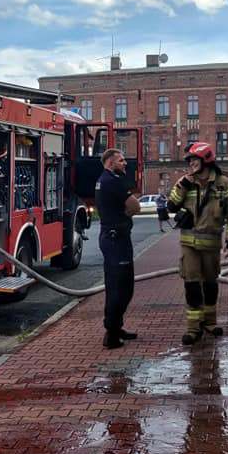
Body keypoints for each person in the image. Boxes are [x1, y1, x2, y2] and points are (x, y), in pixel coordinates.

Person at [167, 142, 228, 345]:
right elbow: (172, 205)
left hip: (212, 244)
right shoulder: (185, 182)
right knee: (191, 285)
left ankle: (210, 322)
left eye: (194, 160)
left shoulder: (224, 185)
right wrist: (182, 186)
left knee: (210, 284)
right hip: (189, 244)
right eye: (189, 161)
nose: (191, 164)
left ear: (206, 159)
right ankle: (192, 328)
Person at [95, 148, 141, 349]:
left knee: (116, 285)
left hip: (111, 237)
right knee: (121, 287)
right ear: (110, 162)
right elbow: (136, 207)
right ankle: (111, 334)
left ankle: (116, 327)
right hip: (116, 239)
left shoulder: (103, 179)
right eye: (121, 160)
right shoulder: (113, 181)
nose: (125, 163)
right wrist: (127, 214)